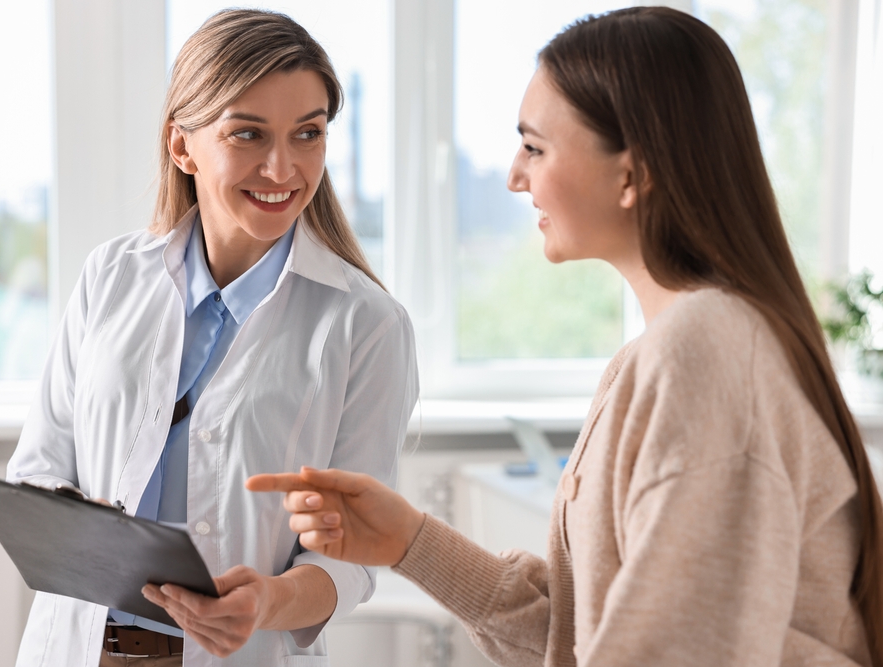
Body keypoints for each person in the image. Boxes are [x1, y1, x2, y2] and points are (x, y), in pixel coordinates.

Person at [248, 7, 883, 666]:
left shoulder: (707, 351)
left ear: (632, 174)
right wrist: (410, 540)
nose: (514, 176)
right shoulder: (659, 354)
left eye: (535, 147)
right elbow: (582, 634)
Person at [6, 9, 418, 667]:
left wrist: (269, 601)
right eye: (248, 134)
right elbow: (37, 469)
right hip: (75, 649)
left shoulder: (367, 325)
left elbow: (353, 557)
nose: (282, 167)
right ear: (182, 146)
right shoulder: (111, 275)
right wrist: (75, 524)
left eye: (308, 133)